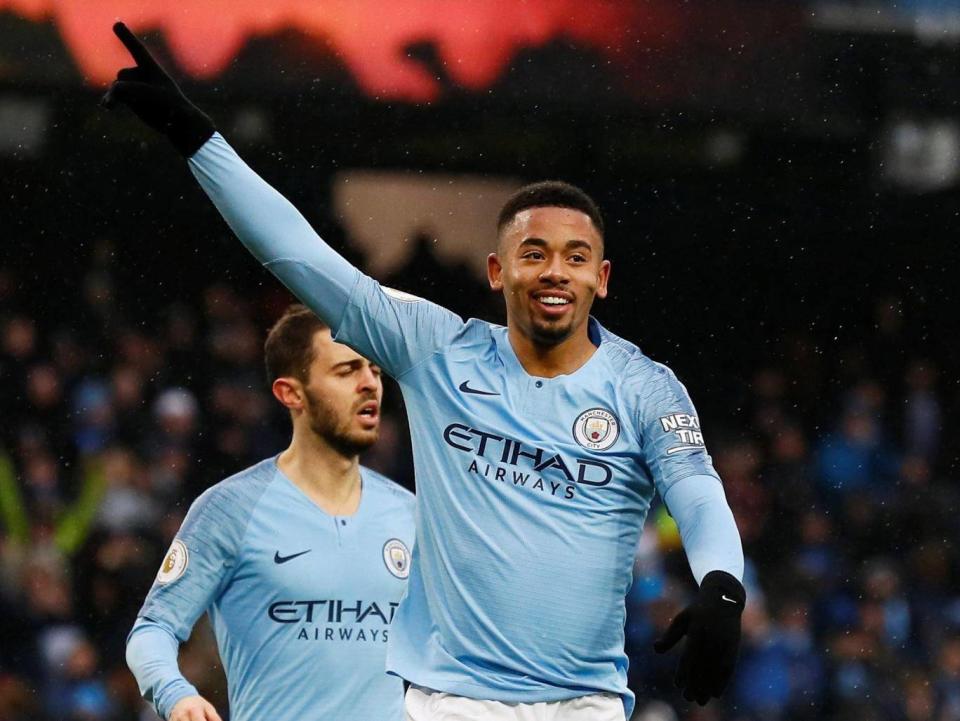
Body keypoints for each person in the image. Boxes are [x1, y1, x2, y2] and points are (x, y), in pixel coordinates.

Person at [104, 22, 746, 719]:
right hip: (451, 701)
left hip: (583, 703)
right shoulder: (437, 349)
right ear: (498, 271)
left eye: (575, 256)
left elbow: (698, 492)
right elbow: (297, 252)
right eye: (533, 253)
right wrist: (196, 137)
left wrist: (723, 585)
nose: (554, 270)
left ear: (603, 277)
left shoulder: (645, 387)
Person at [124, 304, 415, 721]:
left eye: (374, 369)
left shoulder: (410, 514)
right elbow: (152, 630)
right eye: (347, 371)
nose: (370, 384)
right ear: (290, 393)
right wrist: (176, 695)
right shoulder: (230, 509)